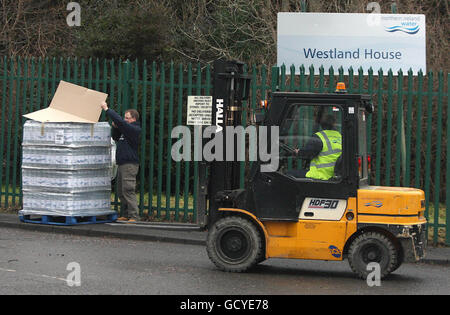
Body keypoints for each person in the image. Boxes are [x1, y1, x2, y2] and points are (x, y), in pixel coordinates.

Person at [101, 101, 141, 222]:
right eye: (125, 117)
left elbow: (122, 123)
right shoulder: (126, 131)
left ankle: (134, 216)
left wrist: (107, 109)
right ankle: (126, 214)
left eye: (127, 118)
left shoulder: (134, 129)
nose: (125, 119)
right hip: (122, 163)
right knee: (121, 191)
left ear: (134, 118)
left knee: (128, 190)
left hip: (129, 164)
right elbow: (116, 137)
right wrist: (115, 127)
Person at [291, 114, 342, 180]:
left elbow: (307, 153)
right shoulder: (340, 136)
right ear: (334, 124)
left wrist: (298, 152)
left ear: (321, 124)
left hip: (321, 175)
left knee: (288, 174)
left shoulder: (319, 137)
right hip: (334, 174)